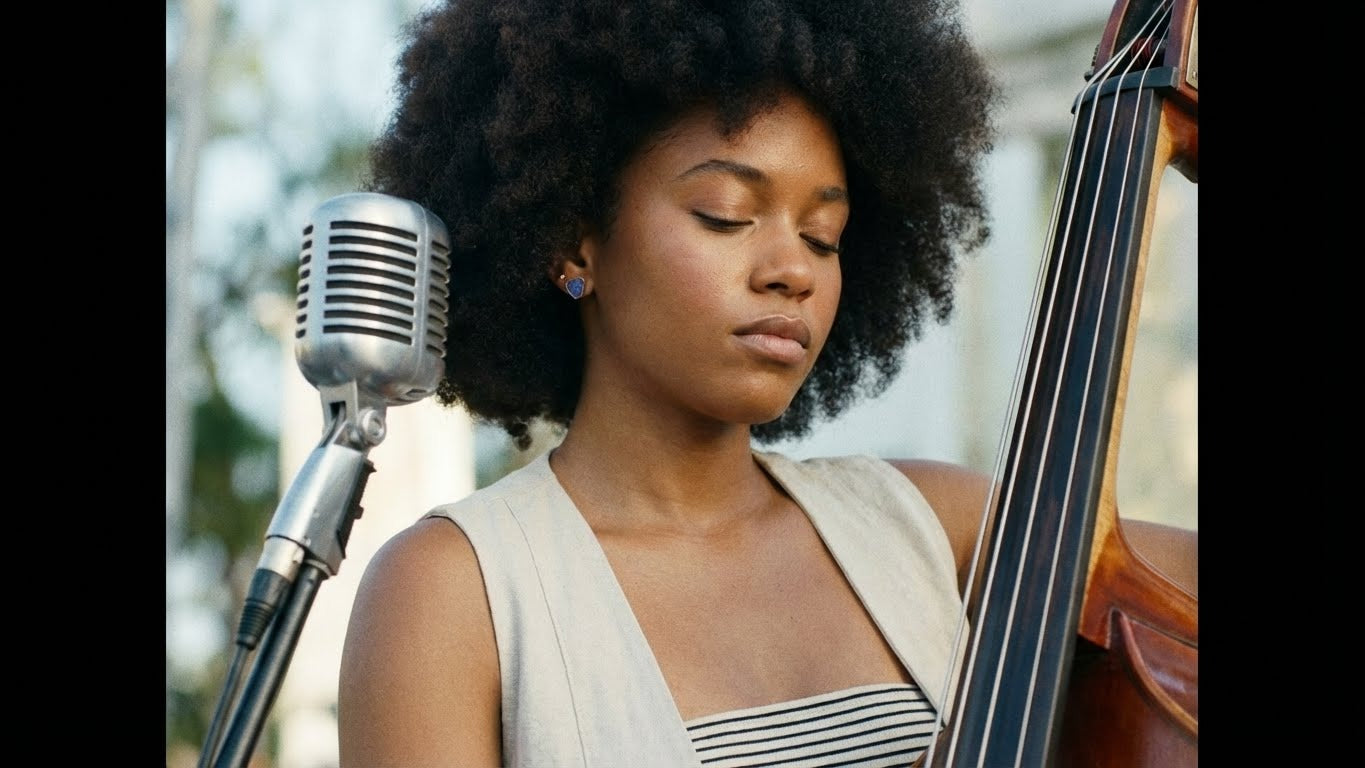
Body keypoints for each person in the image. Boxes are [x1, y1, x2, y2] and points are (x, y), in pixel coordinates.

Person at [336, 1, 1193, 766]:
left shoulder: (933, 527)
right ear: (572, 242)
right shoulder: (456, 591)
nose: (794, 271)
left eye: (824, 236)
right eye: (726, 216)